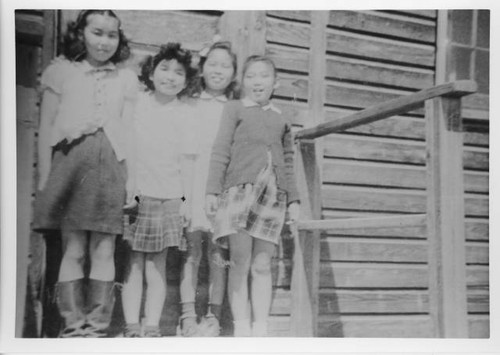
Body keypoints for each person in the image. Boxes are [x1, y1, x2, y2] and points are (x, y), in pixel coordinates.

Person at [32, 10, 138, 338]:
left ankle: (97, 328)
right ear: (81, 33)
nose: (104, 41)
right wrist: (45, 180)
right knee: (73, 249)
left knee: (104, 250)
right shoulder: (61, 72)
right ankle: (73, 327)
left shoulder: (125, 79)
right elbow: (47, 127)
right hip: (70, 171)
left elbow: (131, 133)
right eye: (97, 32)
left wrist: (131, 183)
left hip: (110, 171)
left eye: (111, 35)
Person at [205, 55, 300, 337]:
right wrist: (212, 189)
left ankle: (260, 330)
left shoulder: (281, 117)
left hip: (272, 196)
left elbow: (288, 161)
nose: (257, 82)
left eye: (264, 76)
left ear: (276, 82)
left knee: (261, 264)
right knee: (240, 261)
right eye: (251, 77)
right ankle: (242, 329)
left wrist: (294, 200)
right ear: (243, 82)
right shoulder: (235, 109)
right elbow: (220, 149)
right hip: (238, 192)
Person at [120, 43, 198, 338]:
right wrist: (129, 185)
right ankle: (130, 327)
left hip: (169, 197)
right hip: (138, 194)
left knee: (157, 266)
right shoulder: (139, 104)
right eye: (164, 68)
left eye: (179, 72)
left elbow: (188, 162)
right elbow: (128, 148)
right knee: (133, 264)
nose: (170, 76)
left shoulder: (186, 114)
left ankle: (151, 327)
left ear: (186, 79)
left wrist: (187, 202)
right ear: (150, 73)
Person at [179, 41, 238, 337]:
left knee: (217, 253)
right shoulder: (190, 103)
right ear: (202, 69)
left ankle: (213, 316)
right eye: (212, 64)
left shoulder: (235, 108)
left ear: (233, 73)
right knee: (192, 252)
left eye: (225, 65)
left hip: (222, 187)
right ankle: (188, 316)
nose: (218, 70)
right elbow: (184, 152)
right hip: (194, 180)